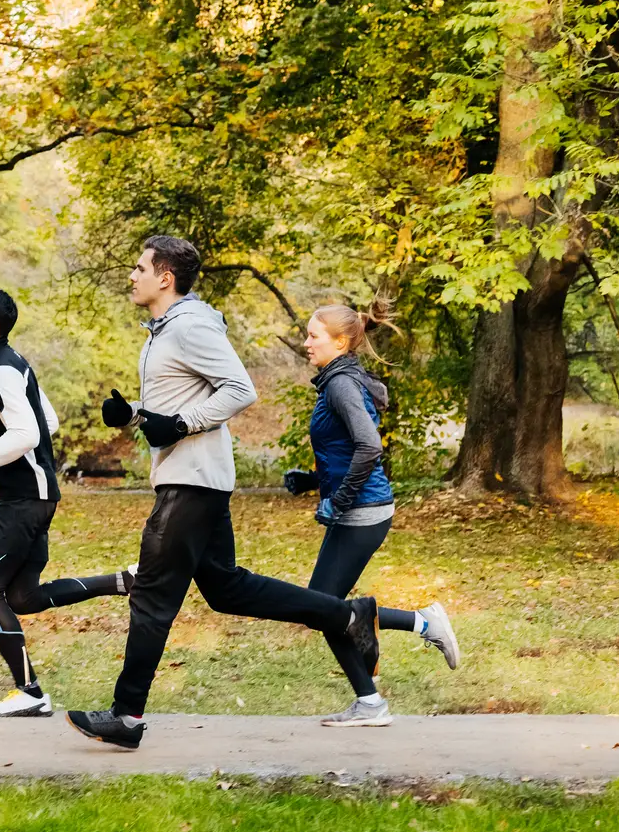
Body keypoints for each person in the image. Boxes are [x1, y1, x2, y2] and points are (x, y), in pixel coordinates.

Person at [66, 236, 382, 749]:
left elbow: (239, 389)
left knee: (151, 593)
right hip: (190, 476)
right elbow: (175, 410)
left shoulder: (189, 324)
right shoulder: (165, 329)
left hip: (191, 481)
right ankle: (347, 616)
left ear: (164, 277)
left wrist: (181, 423)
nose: (132, 275)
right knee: (228, 589)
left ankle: (126, 717)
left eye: (139, 267)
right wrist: (136, 417)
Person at [0, 288, 134, 716]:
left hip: (22, 501)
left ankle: (30, 692)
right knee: (21, 597)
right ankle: (121, 582)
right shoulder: (13, 362)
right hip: (39, 497)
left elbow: (27, 434)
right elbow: (48, 421)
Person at [284, 303, 460, 727]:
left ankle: (393, 669)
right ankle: (410, 641)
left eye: (313, 336)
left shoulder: (341, 384)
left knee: (322, 608)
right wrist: (313, 481)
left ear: (340, 342)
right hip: (360, 507)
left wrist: (337, 501)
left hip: (363, 510)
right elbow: (346, 449)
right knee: (323, 607)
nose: (305, 342)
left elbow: (370, 447)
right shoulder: (338, 380)